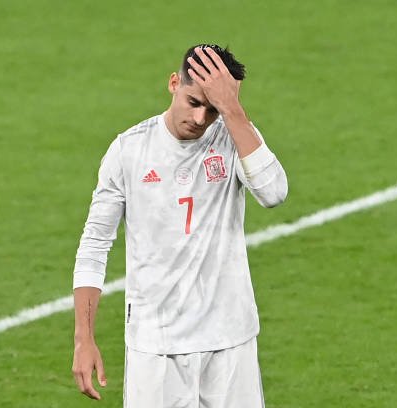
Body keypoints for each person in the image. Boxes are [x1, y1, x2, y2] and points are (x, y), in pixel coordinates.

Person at [71, 44, 288, 407]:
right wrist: (84, 339)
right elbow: (94, 246)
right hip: (157, 346)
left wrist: (233, 111)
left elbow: (274, 193)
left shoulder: (234, 136)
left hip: (230, 340)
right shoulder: (129, 151)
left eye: (212, 109)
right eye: (193, 102)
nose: (201, 118)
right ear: (174, 83)